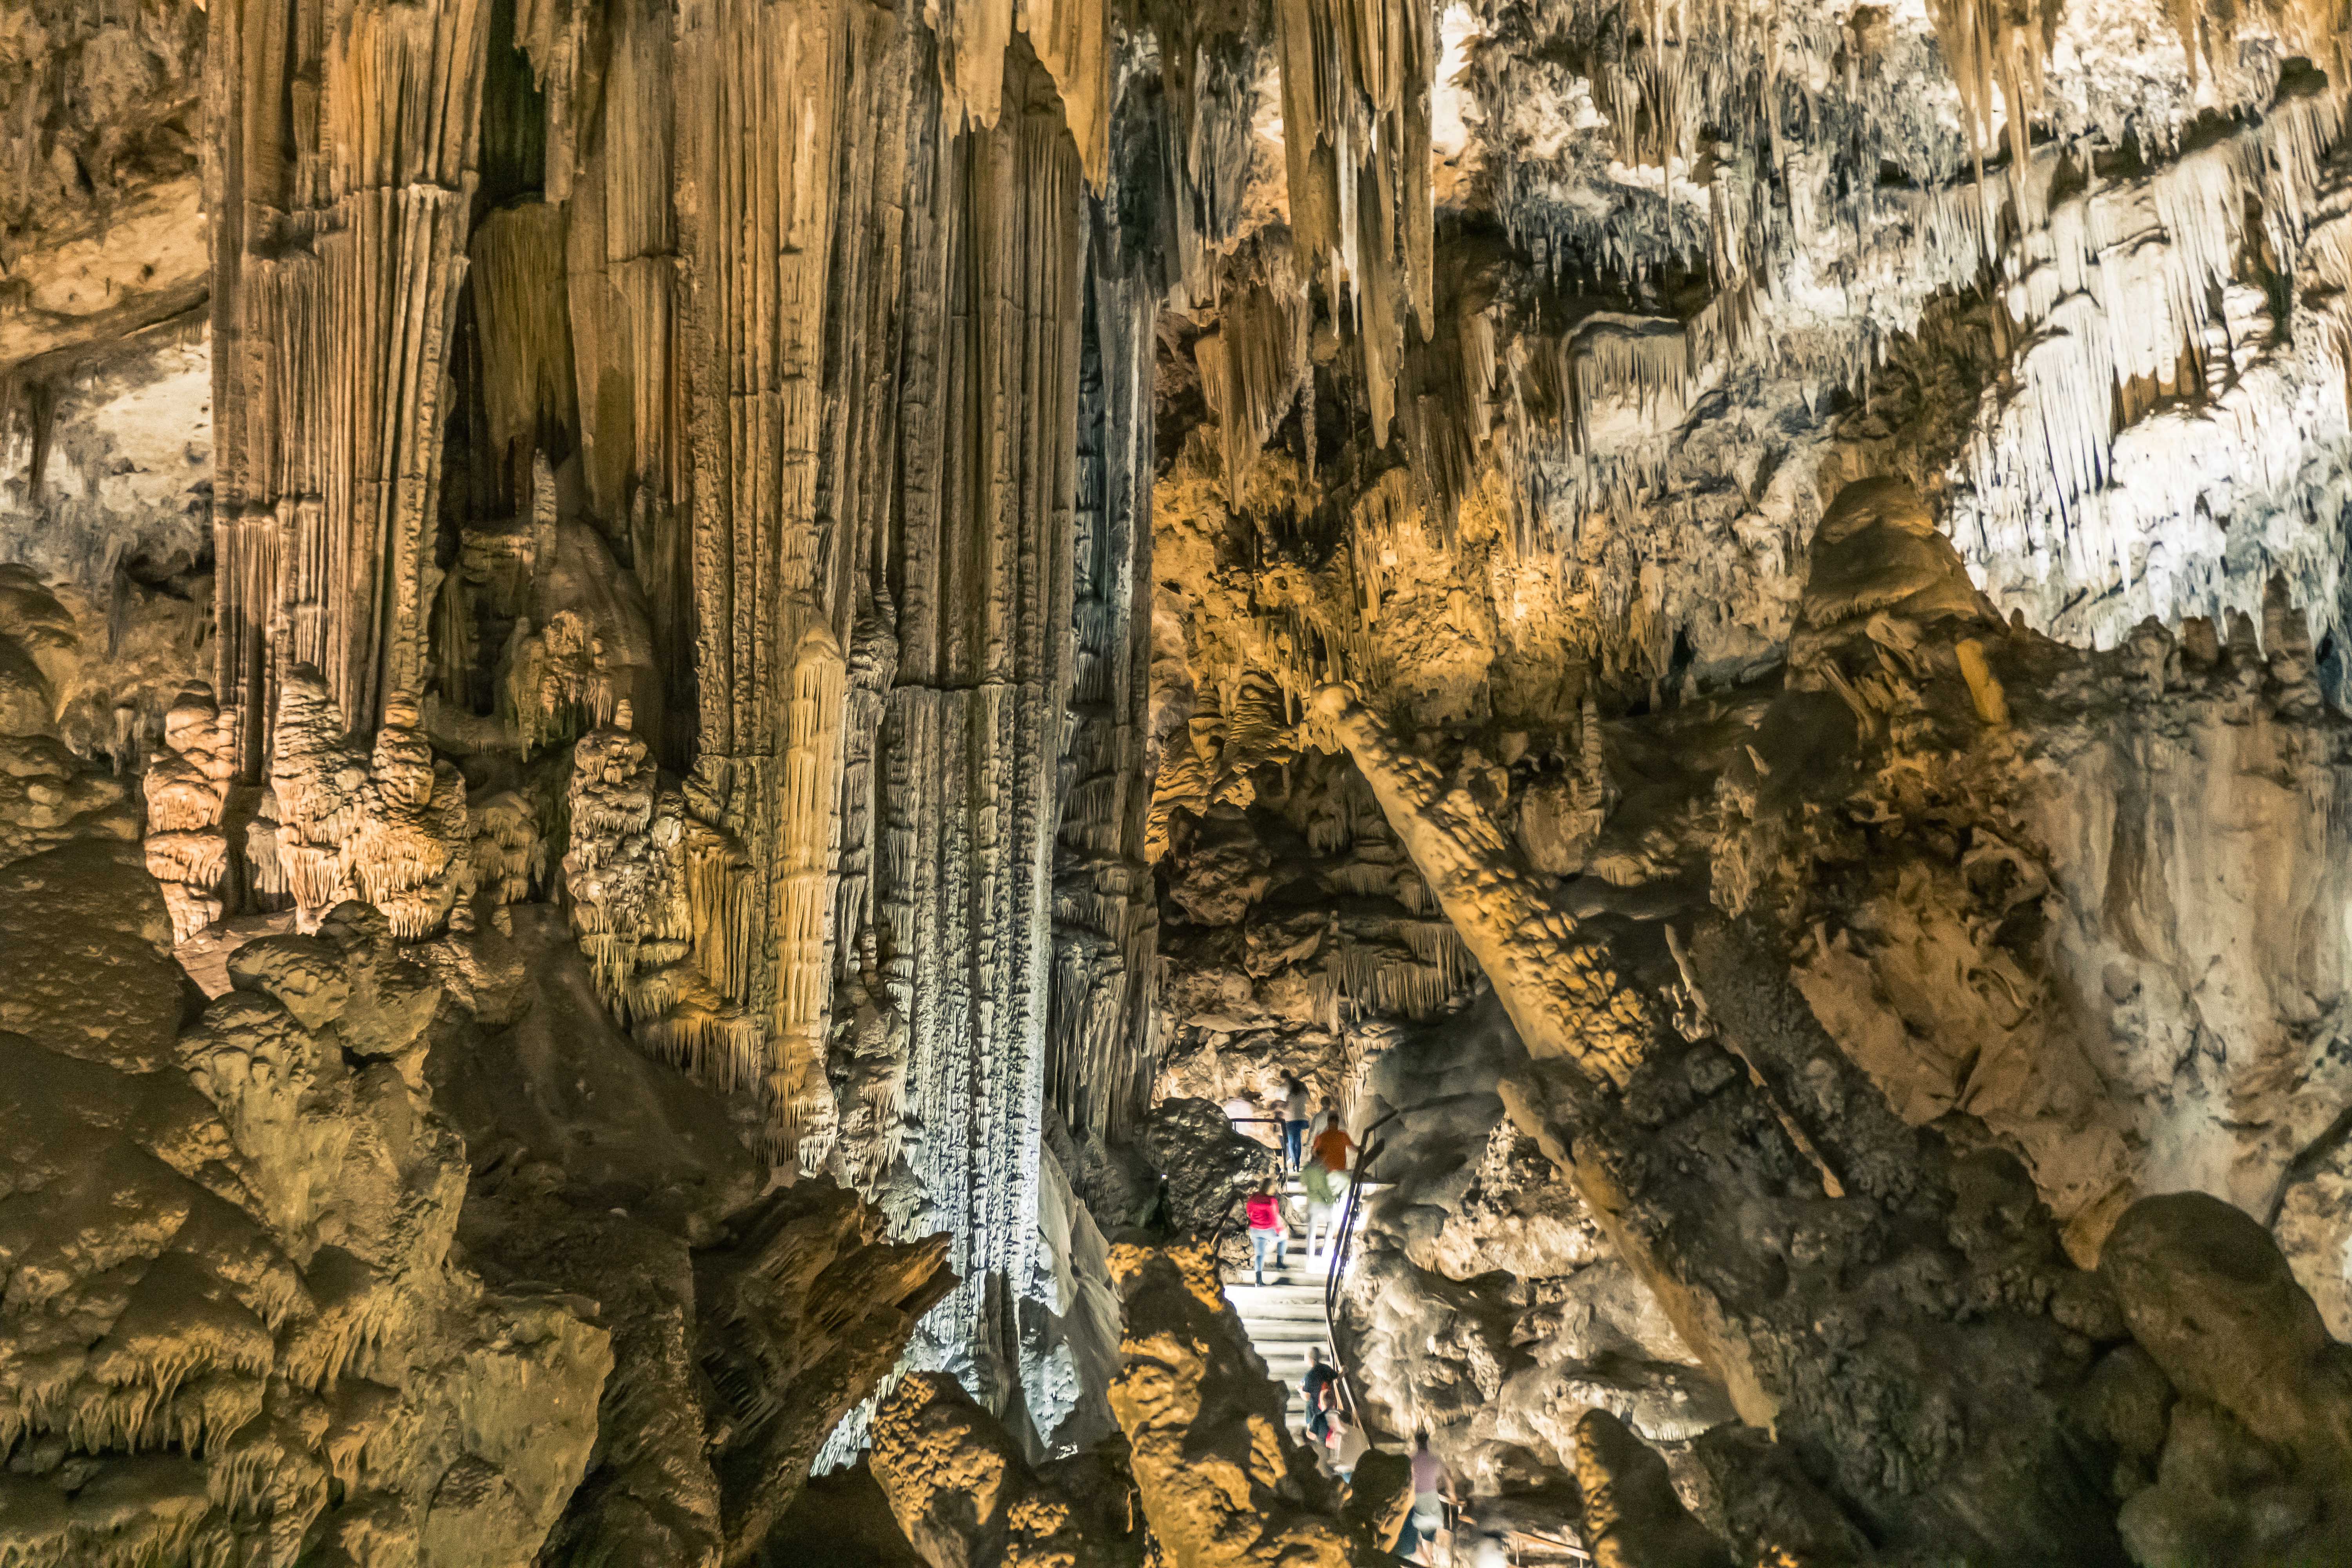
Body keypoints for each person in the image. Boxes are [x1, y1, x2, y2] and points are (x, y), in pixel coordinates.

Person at [1244, 1178, 1287, 1286]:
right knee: (1284, 1239)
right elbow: (1274, 1219)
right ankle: (1280, 1263)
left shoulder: (1253, 1198)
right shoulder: (1271, 1201)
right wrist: (1280, 1231)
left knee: (1259, 1255)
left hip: (1255, 1230)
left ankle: (1258, 1281)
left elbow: (1249, 1212)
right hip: (1268, 1230)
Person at [1301, 1347, 1340, 1445]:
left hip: (1314, 1409)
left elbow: (1307, 1397)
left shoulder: (1310, 1376)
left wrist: (1300, 1390)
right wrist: (1343, 1371)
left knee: (1315, 1434)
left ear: (1311, 1359)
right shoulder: (1326, 1368)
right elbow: (1338, 1376)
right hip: (1328, 1404)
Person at [1310, 1108, 1355, 1178]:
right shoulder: (1343, 1136)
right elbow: (1354, 1148)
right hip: (1340, 1172)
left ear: (1328, 1122)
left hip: (1326, 1173)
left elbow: (1314, 1152)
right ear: (1338, 1122)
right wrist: (1362, 1149)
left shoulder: (1320, 1137)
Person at [1281, 1074, 1310, 1172]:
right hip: (1301, 1120)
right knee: (1298, 1141)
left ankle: (1294, 1162)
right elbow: (1307, 1101)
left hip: (1291, 1121)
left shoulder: (1290, 1096)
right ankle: (1297, 1162)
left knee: (1291, 1143)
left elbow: (1287, 1107)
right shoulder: (1303, 1095)